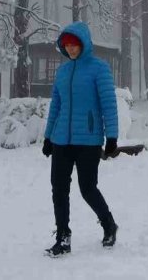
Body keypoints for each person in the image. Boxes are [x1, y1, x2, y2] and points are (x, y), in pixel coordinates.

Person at [42, 21, 119, 258]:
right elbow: (56, 104)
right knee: (59, 189)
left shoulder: (99, 68)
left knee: (87, 188)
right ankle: (63, 236)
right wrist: (48, 136)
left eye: (74, 44)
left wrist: (112, 137)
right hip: (62, 140)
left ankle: (108, 224)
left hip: (88, 140)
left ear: (83, 44)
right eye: (66, 45)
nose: (71, 49)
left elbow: (108, 103)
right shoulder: (63, 72)